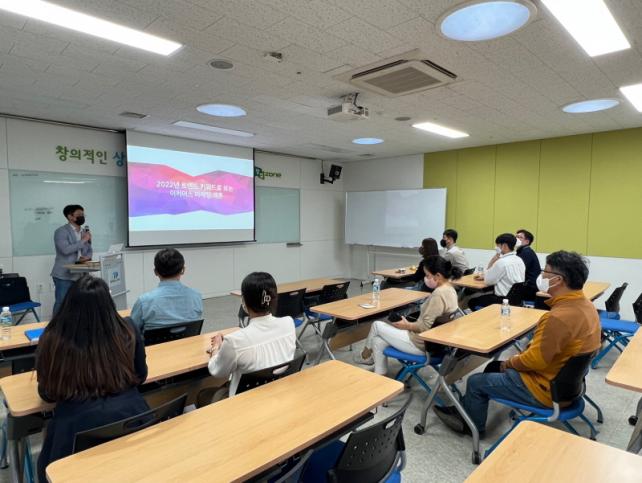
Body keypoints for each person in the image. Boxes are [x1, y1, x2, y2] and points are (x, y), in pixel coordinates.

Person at [434, 251, 601, 435]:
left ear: (558, 280)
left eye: (545, 271)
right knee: (493, 367)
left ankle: (472, 427)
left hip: (544, 390)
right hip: (568, 387)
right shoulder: (587, 306)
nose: (542, 276)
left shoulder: (558, 317)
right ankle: (467, 411)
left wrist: (509, 363)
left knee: (475, 381)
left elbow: (534, 360)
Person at [36, 275, 148, 481]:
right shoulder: (127, 330)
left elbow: (47, 394)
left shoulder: (52, 339)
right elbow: (140, 375)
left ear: (68, 305)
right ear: (109, 304)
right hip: (133, 420)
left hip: (74, 430)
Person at [353, 256, 461, 375]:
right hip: (436, 345)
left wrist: (407, 325)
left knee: (376, 325)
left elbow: (424, 327)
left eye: (427, 275)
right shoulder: (450, 289)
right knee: (378, 341)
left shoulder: (438, 294)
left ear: (438, 276)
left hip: (421, 344)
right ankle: (380, 374)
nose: (425, 279)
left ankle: (365, 356)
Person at [207, 272, 296, 398]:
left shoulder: (234, 341)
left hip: (245, 402)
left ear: (244, 301)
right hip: (279, 393)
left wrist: (216, 347)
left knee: (204, 394)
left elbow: (217, 371)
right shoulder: (288, 323)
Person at [130, 248, 203, 332]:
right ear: (183, 270)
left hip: (155, 341)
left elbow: (131, 330)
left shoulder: (144, 301)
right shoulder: (196, 296)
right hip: (189, 340)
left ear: (155, 272)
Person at [50, 204, 92, 315]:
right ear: (70, 217)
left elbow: (89, 250)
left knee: (80, 304)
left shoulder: (84, 232)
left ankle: (76, 324)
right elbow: (65, 250)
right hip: (64, 275)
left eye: (83, 214)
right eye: (79, 214)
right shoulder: (61, 231)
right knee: (62, 303)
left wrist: (87, 257)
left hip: (81, 273)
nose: (82, 216)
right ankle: (56, 325)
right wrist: (83, 240)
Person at [470, 233, 525, 309]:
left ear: (504, 246)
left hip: (501, 300)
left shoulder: (501, 262)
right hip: (516, 300)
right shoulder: (519, 260)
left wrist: (495, 257)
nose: (496, 248)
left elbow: (488, 281)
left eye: (497, 246)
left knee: (472, 301)